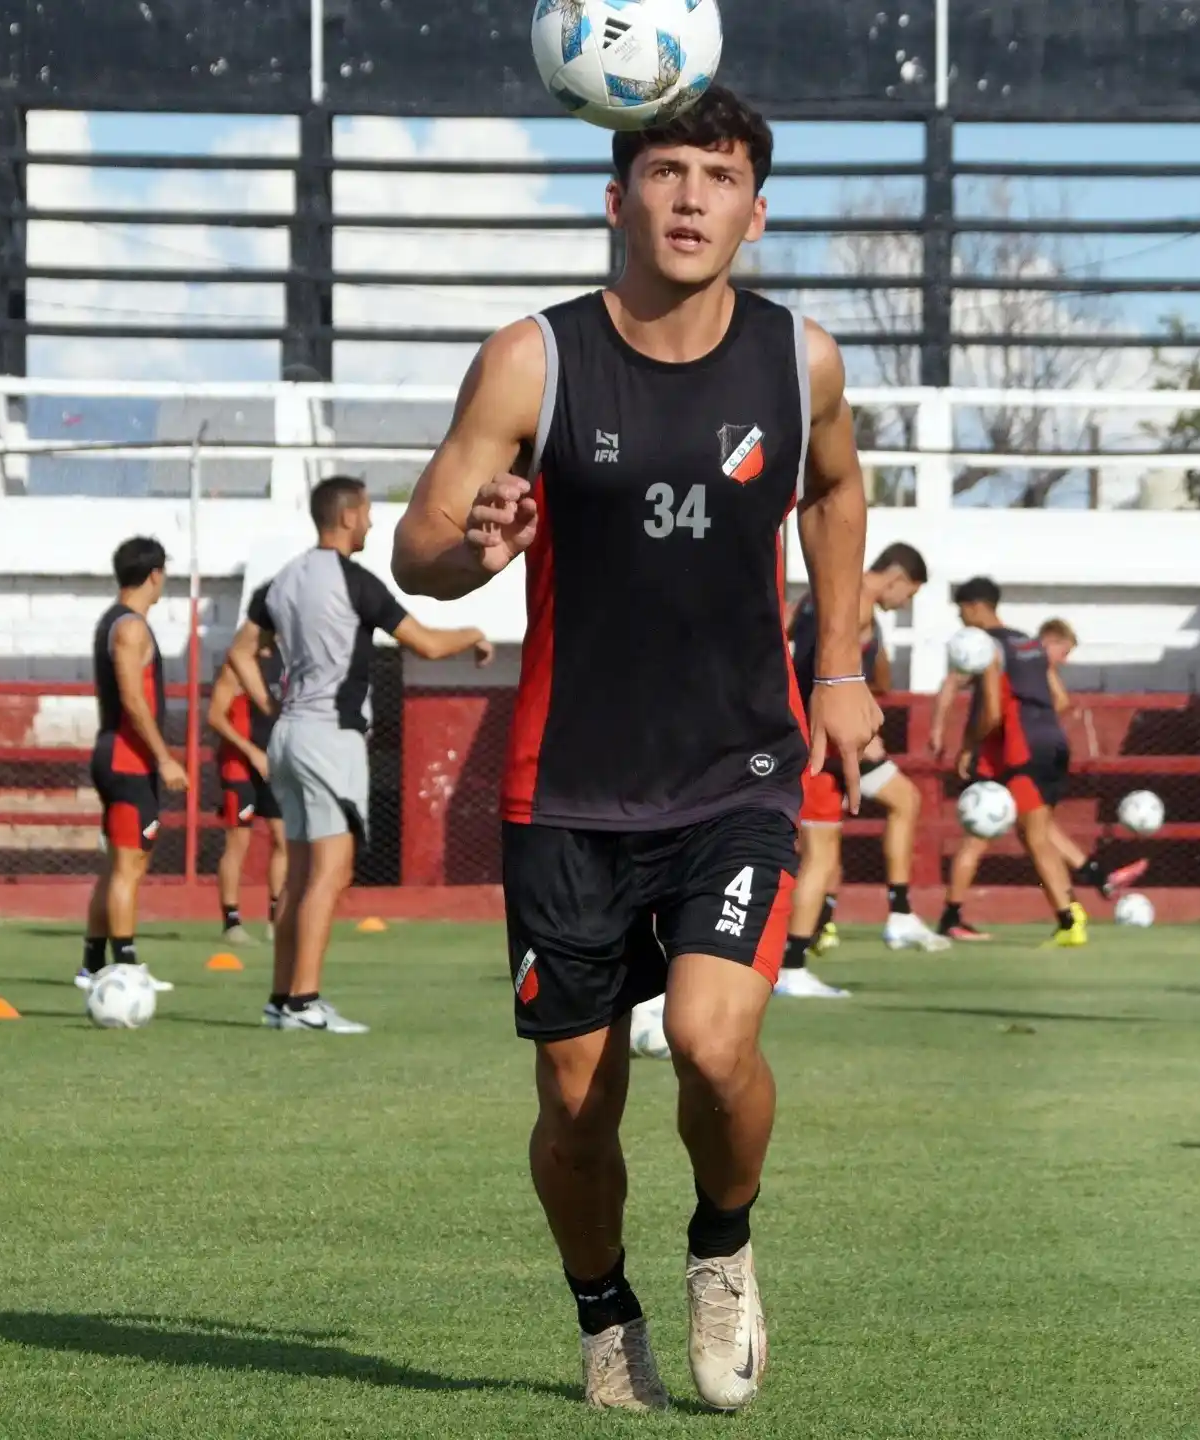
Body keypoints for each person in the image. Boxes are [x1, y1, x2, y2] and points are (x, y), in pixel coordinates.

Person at [390, 87, 882, 1413]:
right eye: (662, 171)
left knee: (716, 1046)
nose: (686, 198)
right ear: (614, 198)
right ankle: (603, 1318)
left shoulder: (800, 362)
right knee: (576, 1109)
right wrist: (473, 542)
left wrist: (835, 665)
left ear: (753, 210)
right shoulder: (529, 363)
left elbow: (834, 487)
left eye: (715, 177)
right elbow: (415, 552)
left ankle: (720, 1244)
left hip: (740, 772)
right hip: (569, 790)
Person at [227, 474, 494, 1034]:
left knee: (299, 872)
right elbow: (423, 642)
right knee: (331, 871)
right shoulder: (354, 582)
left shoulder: (283, 580)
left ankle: (281, 999)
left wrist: (272, 706)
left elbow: (241, 654)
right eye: (369, 513)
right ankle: (304, 1002)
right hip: (330, 739)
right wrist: (472, 632)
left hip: (290, 735)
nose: (372, 522)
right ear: (347, 517)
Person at [777, 543, 947, 999]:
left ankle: (868, 921)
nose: (904, 603)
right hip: (825, 742)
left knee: (829, 851)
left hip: (817, 741)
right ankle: (798, 962)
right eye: (908, 594)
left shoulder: (820, 596)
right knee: (824, 853)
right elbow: (825, 668)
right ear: (897, 579)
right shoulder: (858, 603)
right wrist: (853, 727)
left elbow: (786, 637)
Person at [932, 616, 1146, 939]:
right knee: (1017, 834)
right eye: (1064, 651)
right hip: (1004, 755)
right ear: (1050, 640)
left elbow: (962, 688)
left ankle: (1081, 896)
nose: (1064, 660)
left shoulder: (1007, 655)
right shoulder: (1023, 657)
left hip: (1004, 754)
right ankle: (1078, 899)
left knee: (1031, 831)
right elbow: (1056, 702)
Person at [939, 579, 1087, 947]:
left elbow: (991, 709)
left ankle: (1070, 919)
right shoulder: (1030, 643)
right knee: (1033, 832)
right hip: (1052, 741)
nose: (961, 619)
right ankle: (1072, 909)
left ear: (975, 607)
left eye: (961, 612)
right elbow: (1059, 698)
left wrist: (969, 746)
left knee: (1018, 835)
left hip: (1015, 748)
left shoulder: (987, 646)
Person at [76, 536, 185, 993]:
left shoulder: (118, 622)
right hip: (127, 758)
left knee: (120, 863)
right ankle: (123, 966)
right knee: (128, 866)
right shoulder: (130, 628)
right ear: (155, 574)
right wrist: (164, 758)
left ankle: (93, 964)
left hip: (123, 756)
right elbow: (133, 701)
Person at [208, 611, 288, 945]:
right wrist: (250, 750)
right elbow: (214, 716)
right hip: (239, 766)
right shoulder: (238, 663)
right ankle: (232, 922)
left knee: (284, 839)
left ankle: (276, 920)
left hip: (276, 764)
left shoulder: (286, 662)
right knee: (238, 842)